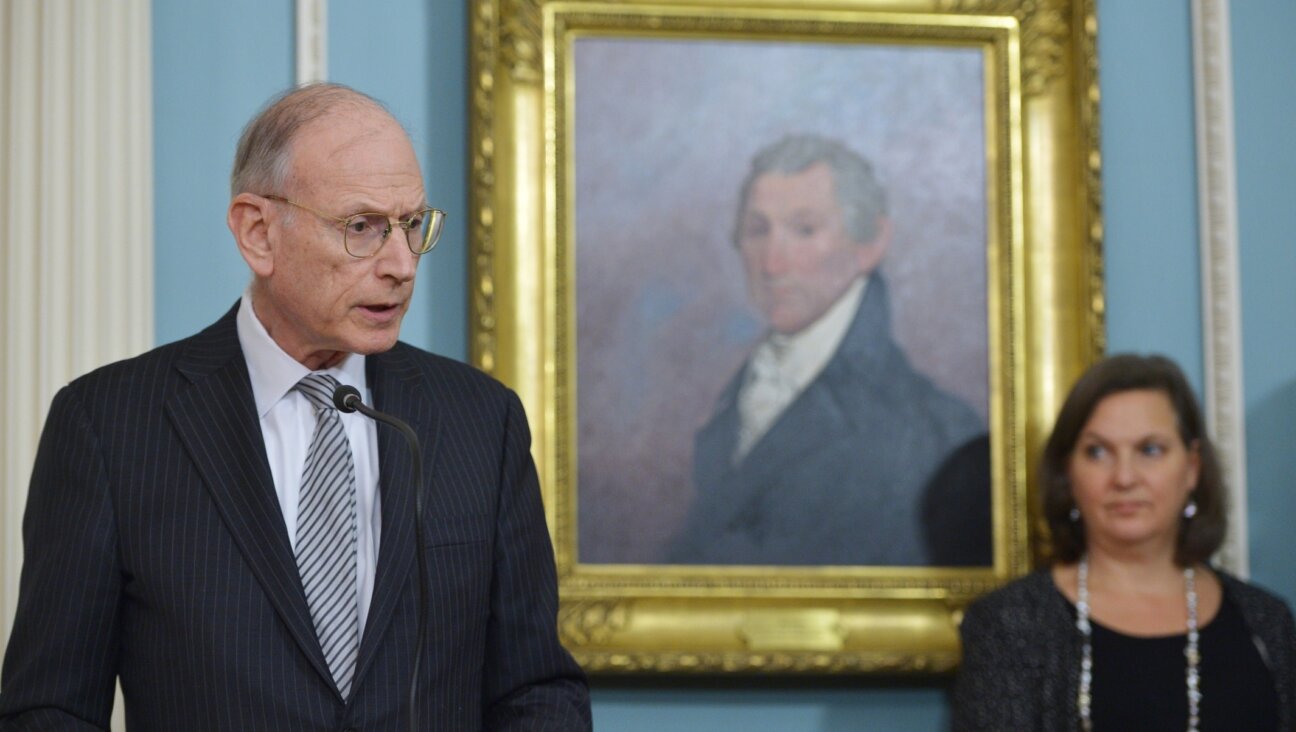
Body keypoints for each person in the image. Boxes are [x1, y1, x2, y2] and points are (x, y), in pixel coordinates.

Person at [0, 84, 591, 731]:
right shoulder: (109, 427)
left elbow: (537, 692)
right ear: (258, 232)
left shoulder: (482, 422)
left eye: (413, 224)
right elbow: (49, 710)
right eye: (362, 227)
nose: (401, 264)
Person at [668, 134, 989, 566]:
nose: (771, 265)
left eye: (804, 230)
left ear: (870, 243)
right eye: (757, 230)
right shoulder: (739, 393)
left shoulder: (934, 430)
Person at [954, 354, 1296, 730]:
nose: (1124, 477)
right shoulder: (1008, 625)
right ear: (1068, 472)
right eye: (1097, 452)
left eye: (1150, 450)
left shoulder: (1266, 622)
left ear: (1192, 468)